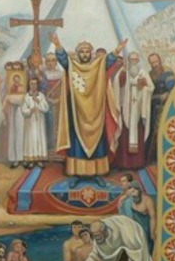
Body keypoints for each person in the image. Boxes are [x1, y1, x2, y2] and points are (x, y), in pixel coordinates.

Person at [50, 31, 126, 183]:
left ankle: (97, 173)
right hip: (77, 111)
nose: (84, 54)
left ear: (91, 54)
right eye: (82, 51)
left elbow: (108, 61)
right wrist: (58, 45)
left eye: (87, 51)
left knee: (98, 145)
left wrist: (117, 50)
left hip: (96, 112)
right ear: (78, 54)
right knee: (77, 144)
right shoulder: (72, 66)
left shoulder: (97, 66)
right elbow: (64, 60)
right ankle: (76, 174)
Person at [114, 51, 153, 169]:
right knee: (124, 137)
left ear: (139, 60)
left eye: (136, 59)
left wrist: (144, 87)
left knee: (138, 134)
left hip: (139, 109)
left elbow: (151, 87)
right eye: (132, 59)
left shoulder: (143, 72)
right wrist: (122, 76)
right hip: (126, 108)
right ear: (128, 60)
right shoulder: (124, 72)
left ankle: (137, 163)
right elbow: (117, 84)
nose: (134, 62)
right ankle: (123, 163)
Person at [147, 52, 175, 152]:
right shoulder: (150, 75)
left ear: (160, 60)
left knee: (165, 129)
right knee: (153, 132)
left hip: (166, 106)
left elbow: (172, 88)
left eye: (156, 61)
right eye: (152, 63)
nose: (155, 64)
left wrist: (166, 95)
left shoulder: (167, 72)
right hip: (153, 107)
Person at [21, 77, 50, 168]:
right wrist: (30, 110)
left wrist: (39, 103)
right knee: (31, 139)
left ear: (37, 85)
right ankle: (31, 160)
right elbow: (23, 111)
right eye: (31, 84)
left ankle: (39, 159)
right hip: (30, 123)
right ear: (29, 85)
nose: (33, 86)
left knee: (39, 139)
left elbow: (46, 108)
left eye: (35, 84)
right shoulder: (26, 96)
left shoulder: (41, 95)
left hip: (40, 122)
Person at [118, 181, 155, 251]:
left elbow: (152, 218)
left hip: (145, 229)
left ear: (139, 190)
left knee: (146, 248)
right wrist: (121, 201)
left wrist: (152, 232)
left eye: (134, 191)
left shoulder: (147, 200)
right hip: (134, 229)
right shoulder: (128, 202)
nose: (133, 194)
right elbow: (124, 216)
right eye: (131, 192)